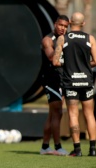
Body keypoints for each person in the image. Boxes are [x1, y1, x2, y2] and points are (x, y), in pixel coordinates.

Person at [53, 12, 96, 156]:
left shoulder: (63, 38)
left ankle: (77, 149)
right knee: (89, 114)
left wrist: (68, 65)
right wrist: (85, 65)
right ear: (83, 23)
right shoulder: (90, 38)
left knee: (73, 114)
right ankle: (92, 149)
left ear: (71, 22)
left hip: (70, 82)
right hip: (86, 81)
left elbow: (55, 62)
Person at [40, 15, 69, 156]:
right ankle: (58, 147)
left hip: (63, 79)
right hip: (52, 80)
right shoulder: (48, 39)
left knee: (53, 115)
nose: (63, 28)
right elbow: (52, 58)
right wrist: (60, 44)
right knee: (57, 113)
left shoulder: (67, 39)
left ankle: (45, 146)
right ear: (55, 24)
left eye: (65, 26)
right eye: (60, 25)